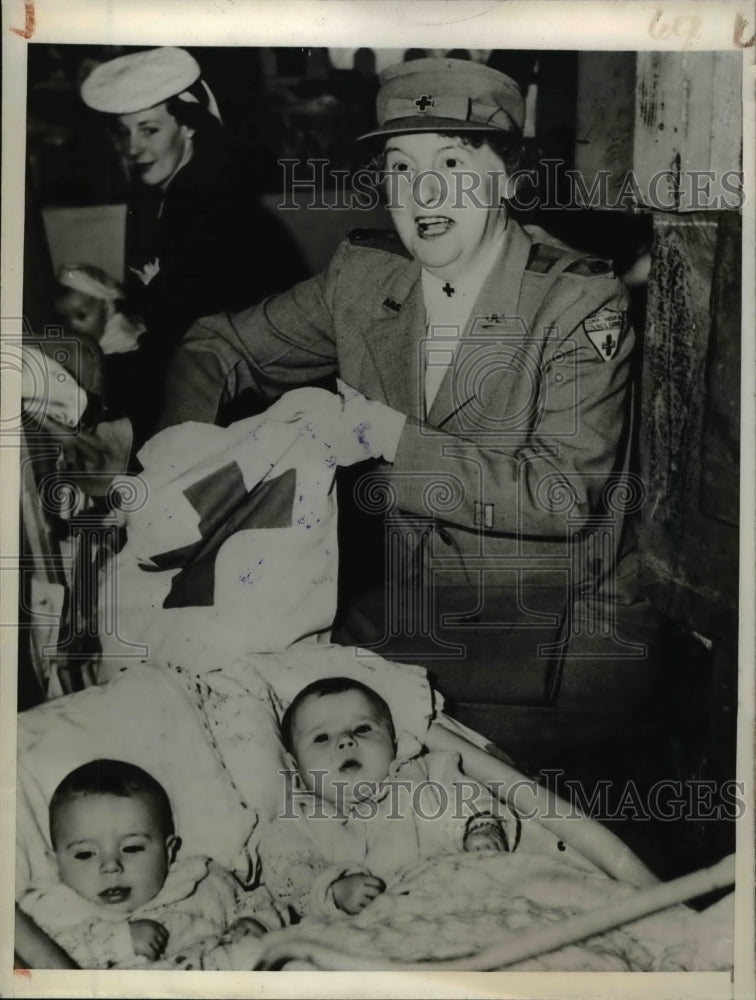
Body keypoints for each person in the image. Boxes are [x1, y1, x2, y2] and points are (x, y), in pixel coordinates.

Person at [155, 57, 659, 757]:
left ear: (509, 177)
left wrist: (387, 435)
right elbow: (214, 346)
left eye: (451, 162)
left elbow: (563, 494)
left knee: (359, 782)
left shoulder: (578, 301)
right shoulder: (365, 275)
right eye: (399, 167)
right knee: (222, 713)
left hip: (551, 634)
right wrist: (176, 465)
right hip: (414, 613)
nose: (423, 192)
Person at [79, 47, 307, 442]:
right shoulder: (162, 197)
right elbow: (167, 303)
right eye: (125, 132)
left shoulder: (213, 209)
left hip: (251, 415)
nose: (133, 149)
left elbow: (192, 341)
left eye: (149, 129)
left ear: (188, 126)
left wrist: (102, 377)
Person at [260, 677, 515, 919]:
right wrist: (333, 891)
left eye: (362, 729)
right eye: (322, 738)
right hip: (358, 939)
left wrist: (479, 828)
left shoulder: (417, 780)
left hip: (442, 906)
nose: (346, 741)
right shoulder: (297, 822)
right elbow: (287, 872)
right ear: (295, 767)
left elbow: (459, 797)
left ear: (393, 743)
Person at [18, 759, 273, 969]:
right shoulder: (50, 910)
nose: (111, 866)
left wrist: (257, 922)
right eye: (85, 854)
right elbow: (44, 961)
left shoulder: (200, 881)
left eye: (132, 848)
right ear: (56, 864)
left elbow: (259, 902)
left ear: (168, 851)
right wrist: (119, 941)